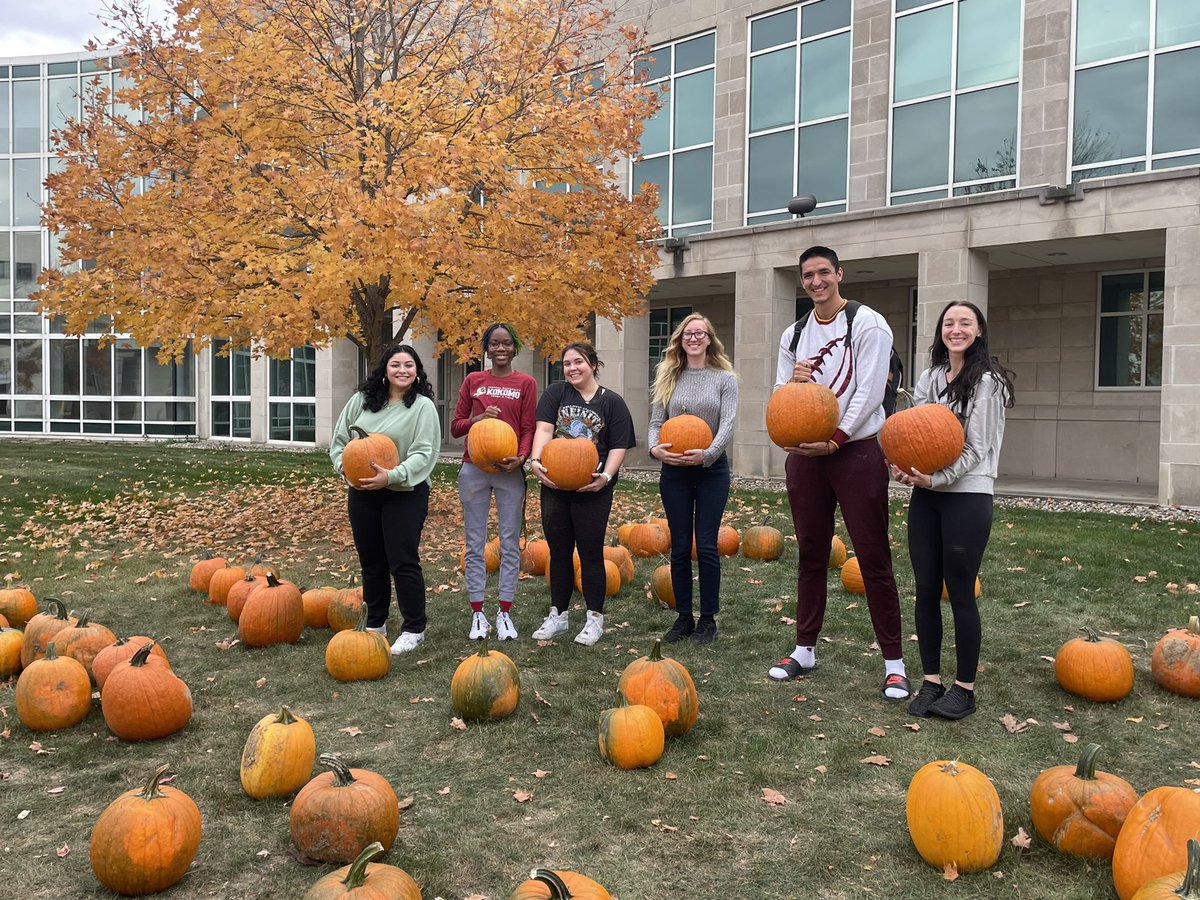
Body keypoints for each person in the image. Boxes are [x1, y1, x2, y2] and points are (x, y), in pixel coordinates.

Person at [768, 245, 911, 701]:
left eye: (823, 273)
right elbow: (779, 393)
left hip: (856, 451)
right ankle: (804, 648)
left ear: (839, 274)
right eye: (808, 275)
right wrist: (795, 382)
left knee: (872, 558)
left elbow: (869, 390)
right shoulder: (793, 334)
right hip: (805, 455)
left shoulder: (867, 322)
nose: (816, 282)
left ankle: (894, 662)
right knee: (811, 553)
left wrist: (838, 439)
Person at [892, 301, 1015, 720]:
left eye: (965, 322)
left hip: (968, 496)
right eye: (949, 322)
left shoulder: (988, 382)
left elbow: (978, 450)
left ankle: (964, 689)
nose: (956, 329)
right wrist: (907, 470)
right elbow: (916, 433)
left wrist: (935, 479)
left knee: (960, 591)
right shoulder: (929, 377)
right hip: (927, 496)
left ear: (979, 330)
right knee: (926, 587)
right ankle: (931, 682)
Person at [329, 344, 440, 655]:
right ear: (385, 369)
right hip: (362, 492)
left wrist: (390, 476)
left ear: (417, 371)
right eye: (396, 364)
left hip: (405, 493)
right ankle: (376, 622)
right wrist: (345, 472)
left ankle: (414, 628)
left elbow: (425, 454)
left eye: (409, 365)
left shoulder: (421, 407)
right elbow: (339, 444)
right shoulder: (361, 402)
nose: (402, 370)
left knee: (402, 561)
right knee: (371, 561)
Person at [528, 341, 635, 646]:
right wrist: (536, 460)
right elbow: (545, 430)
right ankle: (558, 616)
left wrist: (606, 476)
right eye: (567, 364)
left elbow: (618, 445)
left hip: (593, 489)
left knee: (590, 554)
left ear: (593, 365)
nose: (572, 368)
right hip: (555, 487)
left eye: (579, 362)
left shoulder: (611, 402)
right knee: (559, 553)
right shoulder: (555, 394)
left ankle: (594, 619)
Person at [647, 313, 739, 644]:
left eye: (700, 332)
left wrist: (708, 454)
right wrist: (655, 449)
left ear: (710, 339)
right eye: (688, 333)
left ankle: (708, 620)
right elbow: (656, 421)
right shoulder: (668, 375)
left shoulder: (724, 379)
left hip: (711, 470)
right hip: (674, 471)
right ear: (680, 339)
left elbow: (728, 423)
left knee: (708, 546)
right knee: (681, 546)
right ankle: (683, 617)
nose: (694, 337)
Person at [450, 323, 537, 641]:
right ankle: (477, 614)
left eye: (506, 344)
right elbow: (456, 427)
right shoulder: (473, 380)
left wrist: (522, 457)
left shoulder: (526, 383)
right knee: (475, 545)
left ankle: (504, 613)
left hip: (509, 470)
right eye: (494, 344)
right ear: (486, 349)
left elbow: (528, 427)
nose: (501, 349)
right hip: (474, 468)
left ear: (515, 348)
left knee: (510, 544)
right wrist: (478, 418)